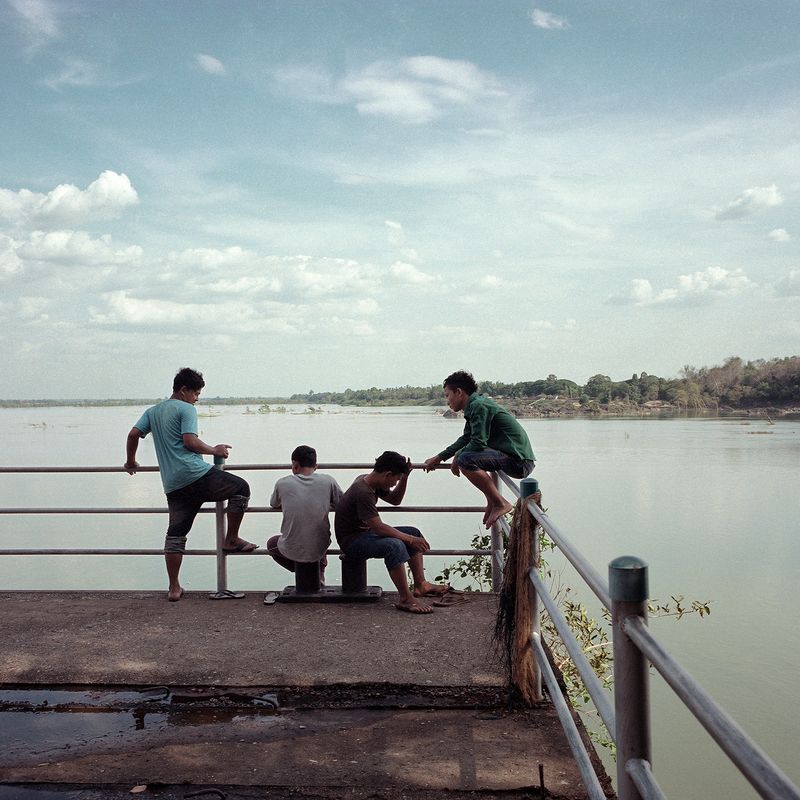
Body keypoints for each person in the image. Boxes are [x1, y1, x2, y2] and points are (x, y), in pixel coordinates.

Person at [124, 367, 257, 602]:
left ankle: (174, 588)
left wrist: (131, 461)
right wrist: (215, 450)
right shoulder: (186, 409)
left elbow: (133, 434)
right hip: (196, 475)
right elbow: (190, 442)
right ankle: (231, 538)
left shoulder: (152, 411)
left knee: (176, 534)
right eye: (196, 393)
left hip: (173, 484)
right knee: (241, 488)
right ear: (184, 390)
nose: (196, 399)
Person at [334, 450, 449, 614]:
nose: (395, 483)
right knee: (394, 545)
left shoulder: (372, 483)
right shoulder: (363, 491)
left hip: (365, 534)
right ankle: (405, 598)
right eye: (396, 479)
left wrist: (405, 478)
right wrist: (409, 540)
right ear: (387, 474)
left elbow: (395, 500)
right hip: (352, 541)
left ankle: (421, 585)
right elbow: (378, 527)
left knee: (414, 532)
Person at [424, 370, 535, 529]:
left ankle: (500, 503)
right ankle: (492, 501)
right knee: (465, 456)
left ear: (459, 392)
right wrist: (440, 457)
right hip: (511, 457)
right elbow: (466, 438)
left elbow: (478, 442)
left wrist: (458, 455)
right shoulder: (474, 406)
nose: (447, 401)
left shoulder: (479, 406)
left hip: (519, 462)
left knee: (465, 459)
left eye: (447, 395)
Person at [267, 445, 343, 584]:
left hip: (292, 547)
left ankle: (306, 573)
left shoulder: (282, 483)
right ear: (316, 466)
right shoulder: (328, 481)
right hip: (321, 544)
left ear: (295, 464)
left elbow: (274, 503)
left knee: (272, 544)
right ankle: (318, 572)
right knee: (318, 532)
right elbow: (341, 503)